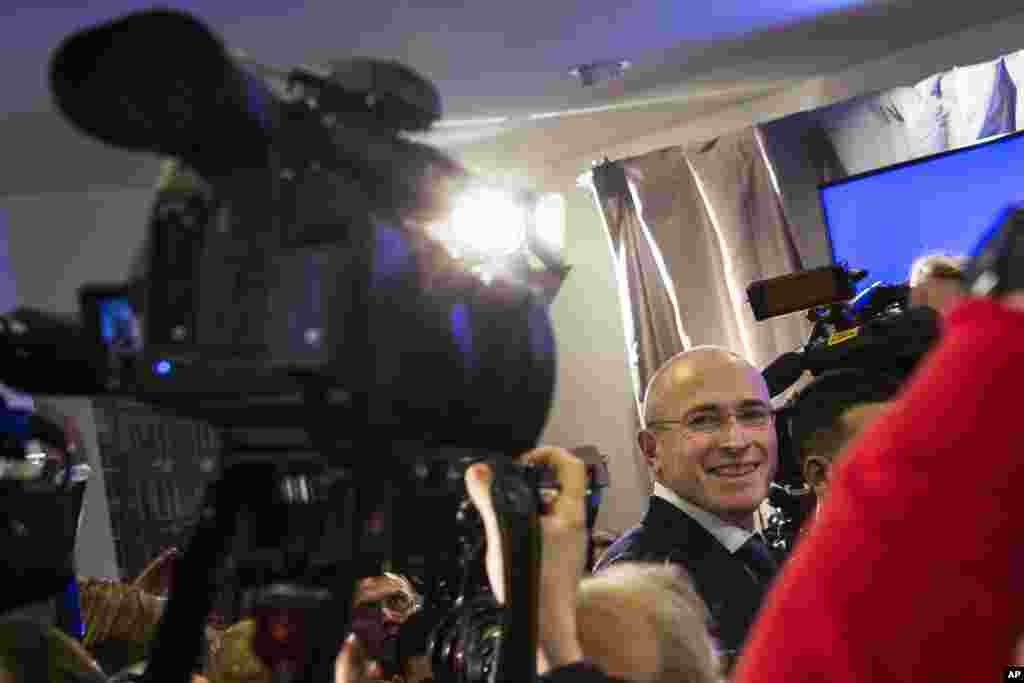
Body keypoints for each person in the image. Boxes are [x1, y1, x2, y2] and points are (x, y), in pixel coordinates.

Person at [733, 292, 1024, 683]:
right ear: (819, 473)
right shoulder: (811, 595)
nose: (911, 472)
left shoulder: (964, 547)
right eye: (880, 457)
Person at [595, 346, 780, 662]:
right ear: (652, 450)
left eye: (752, 415)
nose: (736, 442)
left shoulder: (762, 553)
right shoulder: (634, 587)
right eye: (703, 421)